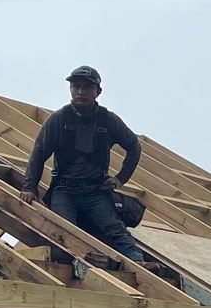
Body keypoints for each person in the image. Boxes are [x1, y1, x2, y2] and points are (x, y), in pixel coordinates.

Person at [20, 65, 148, 263]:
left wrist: (120, 178)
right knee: (65, 230)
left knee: (115, 228)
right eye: (76, 86)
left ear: (98, 91)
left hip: (95, 190)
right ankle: (83, 262)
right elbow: (39, 153)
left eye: (87, 87)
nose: (80, 91)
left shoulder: (108, 120)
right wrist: (29, 187)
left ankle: (137, 261)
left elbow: (134, 146)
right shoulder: (59, 119)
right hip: (65, 190)